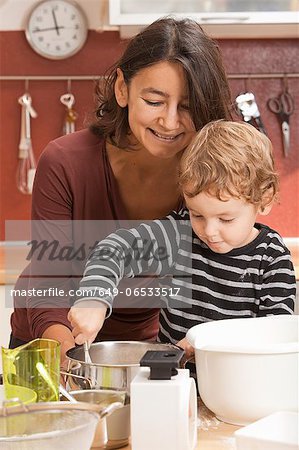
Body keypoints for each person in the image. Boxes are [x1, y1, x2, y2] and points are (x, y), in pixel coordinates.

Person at [10, 17, 232, 363]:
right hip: (49, 339)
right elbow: (48, 287)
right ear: (122, 89)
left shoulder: (209, 174)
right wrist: (73, 362)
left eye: (187, 106)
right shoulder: (66, 162)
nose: (171, 121)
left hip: (144, 350)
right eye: (155, 101)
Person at [68, 121, 296, 356]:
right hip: (172, 379)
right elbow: (114, 249)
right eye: (197, 214)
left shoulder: (272, 258)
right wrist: (94, 298)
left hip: (239, 383)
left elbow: (275, 338)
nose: (209, 231)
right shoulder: (179, 234)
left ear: (265, 199)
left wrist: (207, 341)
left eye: (226, 219)